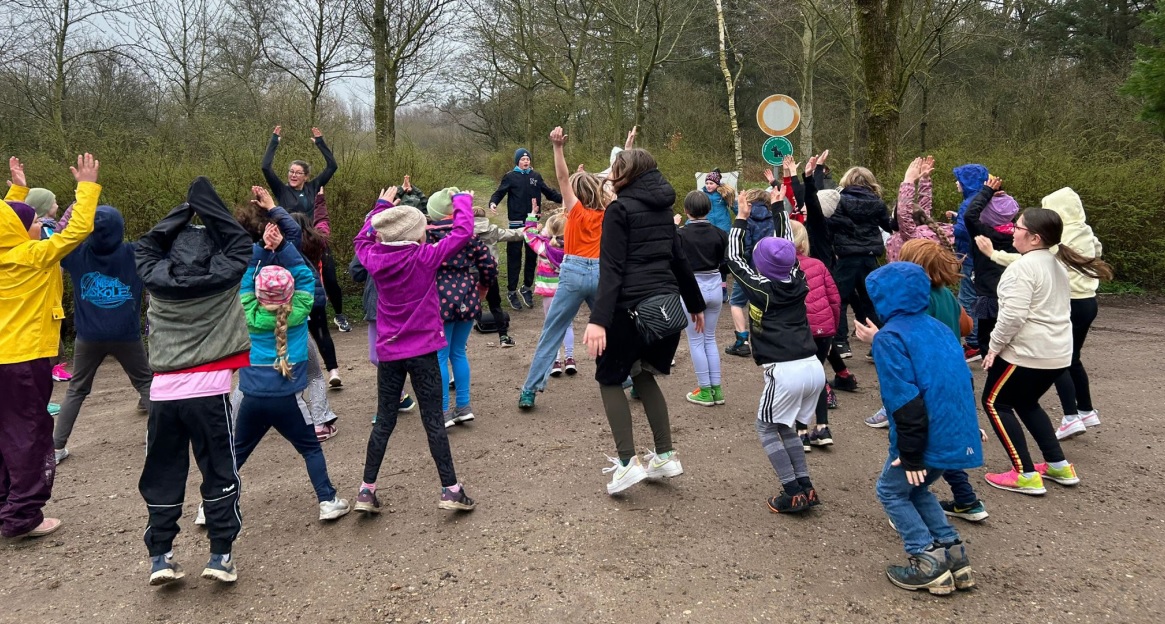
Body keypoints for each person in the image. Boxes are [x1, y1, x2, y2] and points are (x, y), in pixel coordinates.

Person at [136, 177, 252, 585]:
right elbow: (238, 240)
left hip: (164, 393)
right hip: (210, 392)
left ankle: (161, 558)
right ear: (214, 254)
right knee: (219, 470)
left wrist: (185, 209)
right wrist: (205, 199)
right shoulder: (225, 274)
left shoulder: (153, 275)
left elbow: (147, 245)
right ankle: (220, 557)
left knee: (163, 471)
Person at [856, 261, 983, 595]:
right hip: (951, 427)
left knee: (891, 491)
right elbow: (962, 380)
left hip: (921, 436)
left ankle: (925, 559)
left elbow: (904, 400)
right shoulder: (939, 328)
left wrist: (910, 453)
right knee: (918, 491)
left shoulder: (892, 338)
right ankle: (954, 555)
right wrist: (968, 424)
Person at [583, 148, 704, 495]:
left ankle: (626, 464)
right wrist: (694, 303)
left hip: (629, 312)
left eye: (615, 169)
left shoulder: (619, 210)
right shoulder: (665, 209)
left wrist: (598, 319)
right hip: (666, 310)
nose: (611, 174)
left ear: (627, 173)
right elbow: (678, 258)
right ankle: (666, 454)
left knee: (609, 379)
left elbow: (612, 269)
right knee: (643, 374)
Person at [977, 197, 1112, 495]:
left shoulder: (1022, 269)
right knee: (1025, 402)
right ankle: (1058, 464)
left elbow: (1012, 316)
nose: (1012, 231)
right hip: (1058, 355)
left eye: (1018, 227)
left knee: (994, 402)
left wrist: (993, 348)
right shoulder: (1056, 264)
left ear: (1034, 237)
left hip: (1028, 354)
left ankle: (1024, 473)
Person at [354, 186, 477, 514]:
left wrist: (380, 208)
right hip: (423, 351)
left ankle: (366, 490)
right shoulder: (425, 257)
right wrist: (461, 200)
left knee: (384, 421)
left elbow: (361, 240)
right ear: (418, 236)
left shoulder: (375, 258)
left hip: (389, 353)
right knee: (433, 419)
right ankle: (450, 489)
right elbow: (464, 232)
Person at [0, 154, 99, 540]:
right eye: (35, 222)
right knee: (29, 432)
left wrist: (18, 189)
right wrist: (87, 188)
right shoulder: (32, 257)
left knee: (5, 431)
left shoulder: (11, 250)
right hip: (24, 359)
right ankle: (23, 516)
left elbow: (10, 220)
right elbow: (75, 231)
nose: (40, 226)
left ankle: (7, 502)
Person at [865, 239, 990, 523]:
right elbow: (966, 325)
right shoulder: (947, 295)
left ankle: (923, 516)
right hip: (951, 369)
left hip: (925, 377)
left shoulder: (919, 304)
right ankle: (966, 500)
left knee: (928, 442)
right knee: (941, 444)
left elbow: (908, 343)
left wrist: (877, 338)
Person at [234, 227, 349, 523]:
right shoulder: (299, 311)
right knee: (310, 449)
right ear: (292, 292)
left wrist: (261, 248)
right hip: (288, 402)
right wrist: (284, 246)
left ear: (256, 295)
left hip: (251, 400)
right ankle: (327, 500)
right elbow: (305, 275)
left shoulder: (247, 311)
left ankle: (210, 506)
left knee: (235, 454)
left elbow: (245, 280)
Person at [725, 198, 823, 514]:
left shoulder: (763, 288)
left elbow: (733, 258)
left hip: (785, 371)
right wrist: (780, 206)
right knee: (784, 427)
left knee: (766, 427)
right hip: (812, 366)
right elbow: (786, 247)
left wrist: (740, 219)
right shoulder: (797, 277)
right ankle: (804, 488)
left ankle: (791, 491)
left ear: (762, 264)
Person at [518, 127, 616, 410]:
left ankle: (530, 390)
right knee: (612, 329)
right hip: (601, 274)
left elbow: (562, 177)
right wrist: (624, 153)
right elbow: (614, 182)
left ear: (575, 192)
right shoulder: (609, 212)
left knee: (551, 332)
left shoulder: (574, 210)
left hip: (572, 273)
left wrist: (557, 148)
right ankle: (628, 381)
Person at [53, 204, 152, 464]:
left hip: (88, 336)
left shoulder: (76, 253)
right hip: (126, 334)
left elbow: (57, 240)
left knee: (76, 390)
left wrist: (71, 215)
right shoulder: (135, 252)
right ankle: (170, 436)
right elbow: (161, 238)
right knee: (145, 383)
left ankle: (56, 447)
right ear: (120, 228)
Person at [260, 125, 350, 332]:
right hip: (290, 242)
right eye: (291, 171)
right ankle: (294, 317)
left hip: (314, 240)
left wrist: (320, 142)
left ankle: (339, 315)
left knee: (330, 278)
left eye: (298, 173)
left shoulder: (314, 186)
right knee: (293, 279)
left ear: (306, 177)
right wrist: (274, 140)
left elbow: (332, 166)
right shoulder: (281, 190)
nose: (293, 175)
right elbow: (266, 167)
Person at [425, 188, 498, 429]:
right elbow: (489, 265)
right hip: (467, 294)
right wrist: (483, 287)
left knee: (440, 356)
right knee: (458, 352)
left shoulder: (426, 236)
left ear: (433, 213)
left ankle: (444, 411)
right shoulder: (468, 236)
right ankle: (464, 407)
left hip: (438, 298)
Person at [489, 146, 562, 310]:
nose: (525, 161)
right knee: (514, 258)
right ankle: (511, 291)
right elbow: (499, 192)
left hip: (533, 224)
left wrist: (565, 199)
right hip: (516, 225)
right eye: (522, 159)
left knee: (531, 258)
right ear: (517, 161)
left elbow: (549, 192)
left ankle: (526, 288)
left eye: (527, 159)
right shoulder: (510, 177)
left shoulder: (536, 176)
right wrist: (493, 202)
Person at [788, 220, 839, 450]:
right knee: (818, 377)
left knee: (799, 379)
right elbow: (834, 299)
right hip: (823, 331)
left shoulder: (782, 269)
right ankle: (822, 426)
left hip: (798, 330)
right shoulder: (818, 265)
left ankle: (801, 430)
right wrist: (832, 327)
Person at [828, 166, 893, 343]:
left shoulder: (839, 200)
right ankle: (879, 341)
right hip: (869, 255)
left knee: (839, 299)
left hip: (846, 255)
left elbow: (832, 224)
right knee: (871, 298)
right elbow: (889, 226)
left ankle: (840, 342)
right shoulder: (878, 203)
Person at [676, 191, 728, 407]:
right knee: (710, 338)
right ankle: (716, 388)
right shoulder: (720, 233)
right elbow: (725, 263)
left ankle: (705, 391)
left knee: (696, 341)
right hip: (715, 286)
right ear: (709, 209)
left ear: (687, 210)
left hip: (691, 289)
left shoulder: (680, 234)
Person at [724, 187, 787, 357]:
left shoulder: (745, 219)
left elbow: (743, 247)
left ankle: (742, 340)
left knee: (737, 303)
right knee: (766, 303)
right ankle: (768, 338)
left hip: (748, 269)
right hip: (771, 269)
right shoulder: (773, 218)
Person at [963, 175, 1020, 365]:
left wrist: (987, 192)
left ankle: (991, 367)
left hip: (986, 293)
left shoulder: (983, 233)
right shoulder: (1019, 234)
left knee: (985, 337)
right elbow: (1007, 213)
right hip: (1010, 292)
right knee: (1008, 335)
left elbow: (969, 215)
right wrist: (1000, 197)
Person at [523, 205, 574, 377]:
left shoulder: (543, 247)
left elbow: (529, 234)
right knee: (568, 325)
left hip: (549, 293)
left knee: (551, 326)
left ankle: (556, 362)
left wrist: (532, 217)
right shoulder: (573, 247)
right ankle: (570, 359)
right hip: (567, 291)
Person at [950, 164, 990, 361]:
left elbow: (966, 230)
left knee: (965, 298)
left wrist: (951, 229)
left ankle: (971, 341)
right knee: (979, 296)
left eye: (959, 179)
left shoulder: (969, 203)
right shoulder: (983, 198)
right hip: (982, 257)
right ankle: (978, 339)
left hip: (969, 256)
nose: (956, 183)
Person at [472, 205, 525, 347]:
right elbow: (513, 234)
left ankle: (462, 341)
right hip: (489, 272)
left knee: (469, 305)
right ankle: (503, 337)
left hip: (470, 273)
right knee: (495, 305)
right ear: (484, 217)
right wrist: (529, 229)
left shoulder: (463, 231)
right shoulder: (492, 229)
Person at [886, 156, 953, 262]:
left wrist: (909, 180)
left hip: (905, 277)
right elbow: (924, 209)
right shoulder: (926, 233)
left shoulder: (909, 237)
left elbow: (903, 213)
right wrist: (925, 179)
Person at [701, 168, 736, 303]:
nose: (709, 186)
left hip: (723, 232)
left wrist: (744, 215)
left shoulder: (723, 195)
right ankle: (709, 291)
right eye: (707, 183)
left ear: (717, 184)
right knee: (710, 263)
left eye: (711, 183)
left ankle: (723, 292)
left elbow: (735, 207)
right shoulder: (702, 196)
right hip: (708, 232)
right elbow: (695, 211)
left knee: (722, 265)